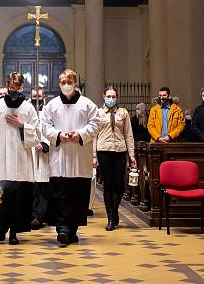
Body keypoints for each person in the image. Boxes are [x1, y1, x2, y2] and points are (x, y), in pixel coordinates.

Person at [0, 72, 38, 245]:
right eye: (11, 87)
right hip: (2, 159)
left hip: (21, 160)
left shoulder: (28, 108)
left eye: (17, 87)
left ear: (22, 87)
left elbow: (37, 132)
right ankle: (2, 228)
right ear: (7, 84)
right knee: (2, 196)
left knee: (19, 198)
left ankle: (14, 232)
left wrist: (21, 126)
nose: (14, 90)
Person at [40, 69, 99, 246]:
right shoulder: (52, 105)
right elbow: (44, 126)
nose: (66, 85)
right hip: (59, 156)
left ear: (75, 84)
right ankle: (62, 229)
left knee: (77, 195)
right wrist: (58, 135)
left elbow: (96, 124)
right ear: (59, 84)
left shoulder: (87, 104)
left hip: (80, 157)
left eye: (69, 81)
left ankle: (72, 229)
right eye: (63, 82)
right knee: (59, 194)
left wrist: (80, 134)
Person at [92, 86, 137, 231]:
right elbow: (94, 136)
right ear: (103, 97)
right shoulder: (98, 113)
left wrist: (132, 154)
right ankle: (111, 217)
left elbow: (128, 134)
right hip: (104, 150)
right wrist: (94, 156)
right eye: (108, 96)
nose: (111, 99)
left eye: (113, 96)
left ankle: (115, 210)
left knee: (119, 185)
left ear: (117, 97)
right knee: (108, 184)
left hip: (119, 150)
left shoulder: (123, 113)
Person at [30, 87, 51, 229]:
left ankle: (41, 216)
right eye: (33, 96)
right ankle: (32, 215)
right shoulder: (26, 110)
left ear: (44, 97)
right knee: (31, 187)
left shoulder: (49, 111)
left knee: (43, 186)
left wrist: (44, 144)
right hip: (29, 152)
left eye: (39, 96)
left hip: (44, 154)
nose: (36, 99)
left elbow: (51, 130)